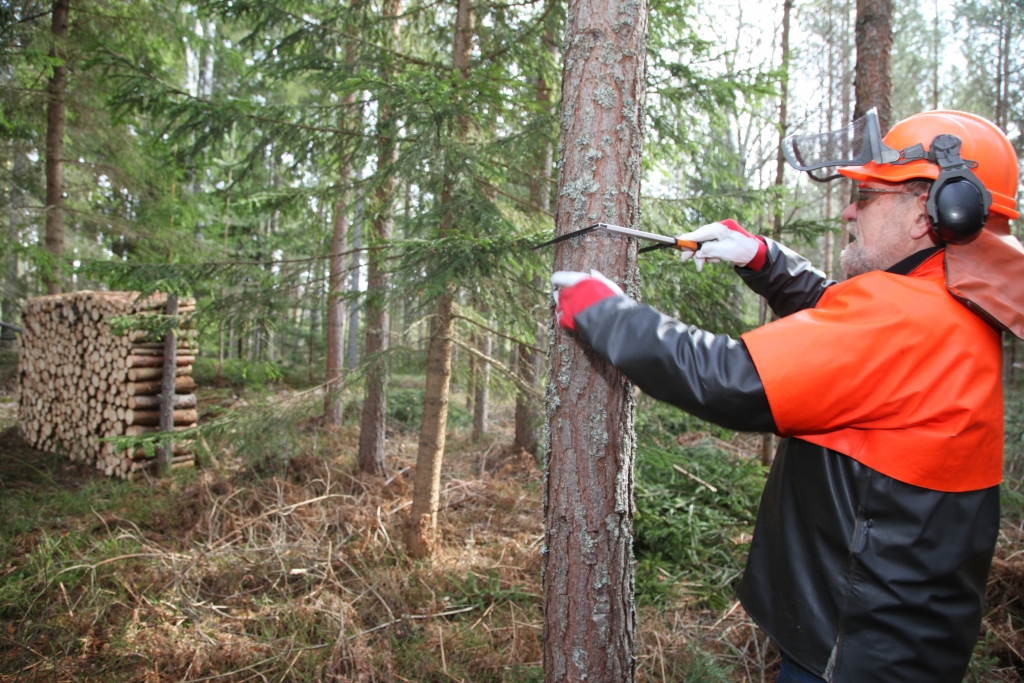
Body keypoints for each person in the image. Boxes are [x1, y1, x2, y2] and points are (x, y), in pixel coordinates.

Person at [550, 110, 1022, 683]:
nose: (850, 208)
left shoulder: (911, 319)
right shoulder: (947, 301)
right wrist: (764, 259)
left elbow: (730, 378)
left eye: (867, 194)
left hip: (855, 655)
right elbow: (843, 330)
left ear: (930, 212)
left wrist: (606, 314)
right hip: (892, 640)